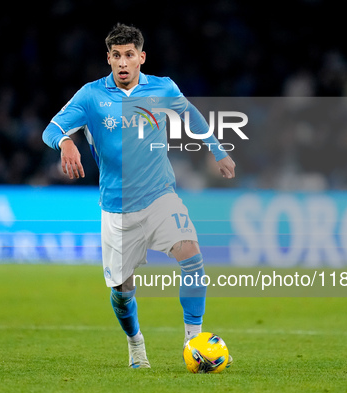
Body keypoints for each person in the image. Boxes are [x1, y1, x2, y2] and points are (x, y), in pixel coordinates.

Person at [42, 23, 236, 369]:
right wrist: (67, 142)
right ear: (108, 58)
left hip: (160, 195)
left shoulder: (162, 88)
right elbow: (52, 129)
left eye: (129, 55)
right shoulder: (91, 96)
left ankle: (194, 340)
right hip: (117, 209)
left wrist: (217, 150)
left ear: (141, 57)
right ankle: (136, 344)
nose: (122, 62)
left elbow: (189, 113)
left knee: (191, 256)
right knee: (122, 291)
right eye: (116, 55)